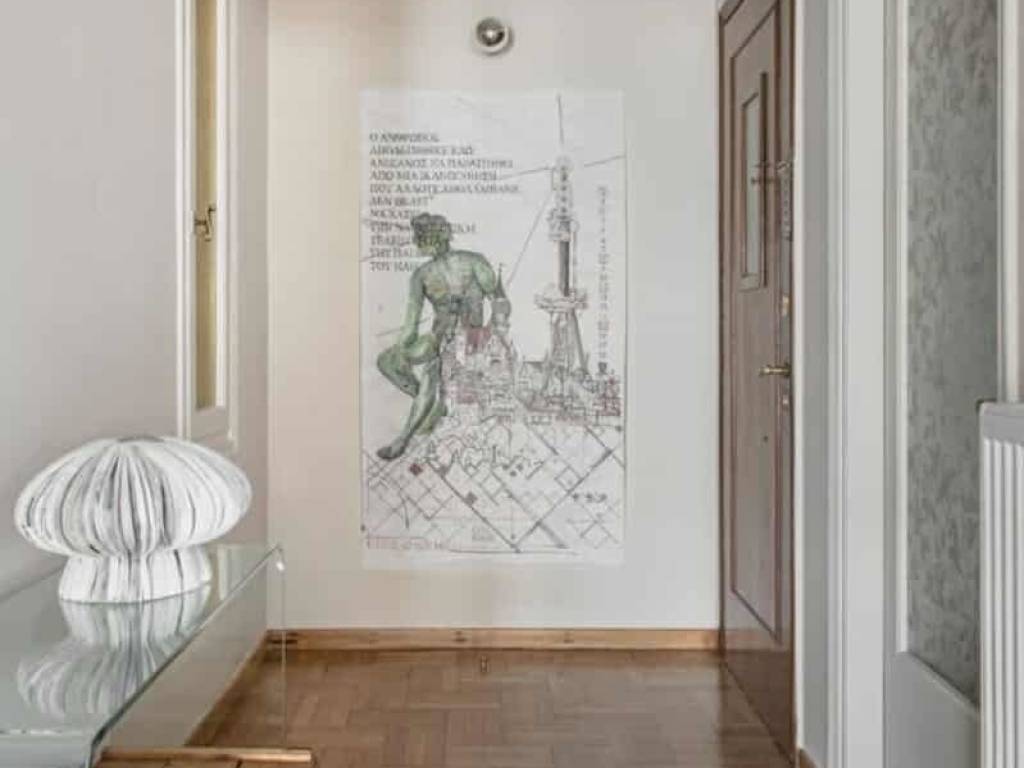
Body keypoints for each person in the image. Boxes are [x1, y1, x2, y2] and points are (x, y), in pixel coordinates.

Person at [375, 213, 504, 460]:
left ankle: (403, 439)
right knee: (386, 361)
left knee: (430, 376)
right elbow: (410, 327)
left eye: (422, 236)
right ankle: (434, 407)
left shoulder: (472, 262)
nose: (419, 241)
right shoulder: (422, 275)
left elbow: (500, 304)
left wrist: (487, 335)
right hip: (437, 338)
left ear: (435, 237)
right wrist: (402, 352)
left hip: (470, 338)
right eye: (420, 237)